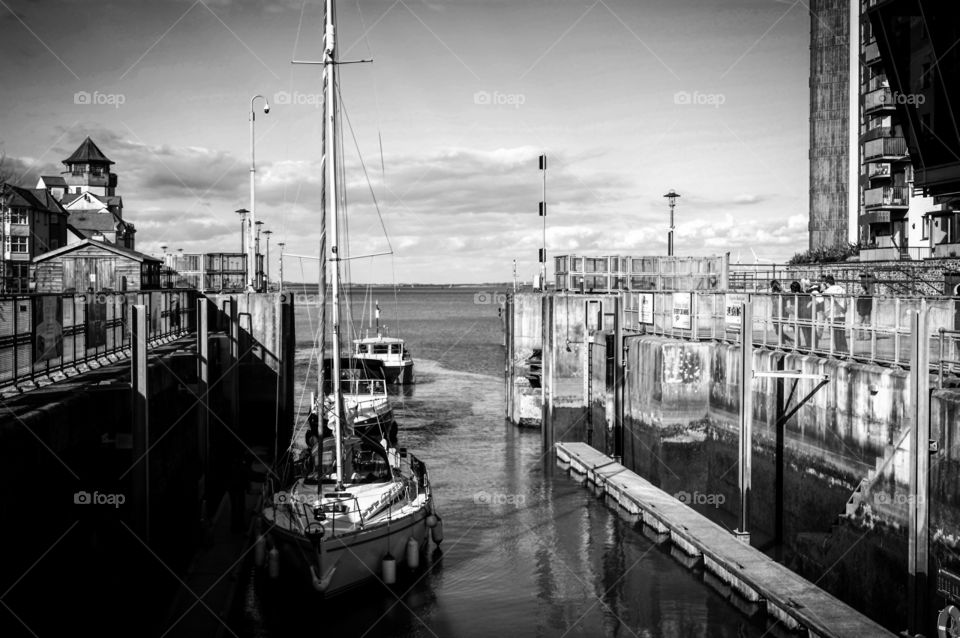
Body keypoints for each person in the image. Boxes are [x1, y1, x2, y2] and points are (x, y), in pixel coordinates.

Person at [818, 274, 848, 354]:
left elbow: (821, 298)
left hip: (832, 315)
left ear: (827, 283)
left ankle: (839, 352)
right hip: (842, 314)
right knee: (841, 334)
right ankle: (845, 350)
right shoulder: (842, 289)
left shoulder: (828, 291)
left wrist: (823, 290)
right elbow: (846, 302)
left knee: (835, 335)